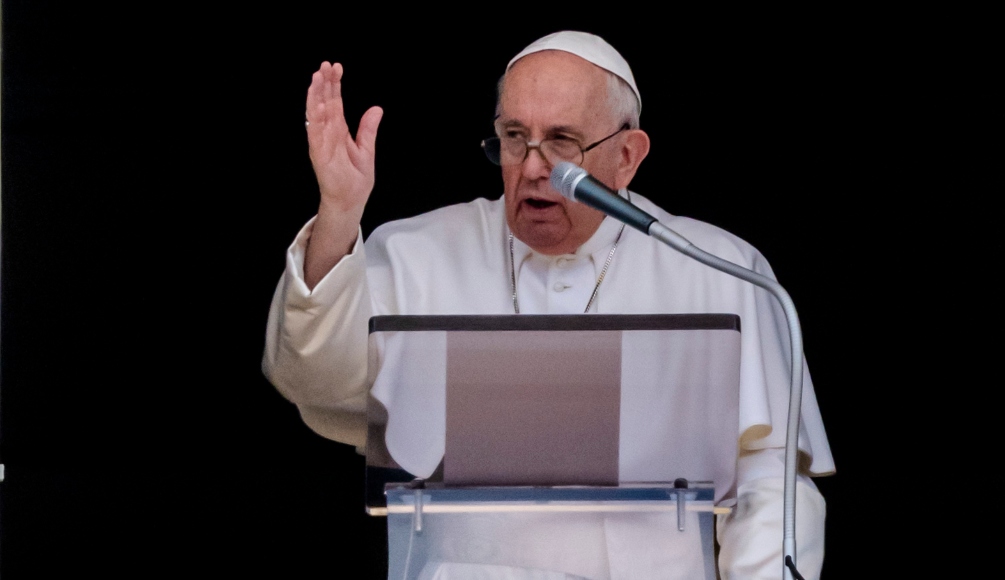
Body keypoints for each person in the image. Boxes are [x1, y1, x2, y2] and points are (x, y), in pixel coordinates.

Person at [264, 31, 835, 580]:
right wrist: (339, 211)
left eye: (562, 140)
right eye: (515, 136)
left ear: (627, 155)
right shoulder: (419, 253)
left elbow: (772, 480)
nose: (535, 167)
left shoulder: (716, 269)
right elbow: (311, 379)